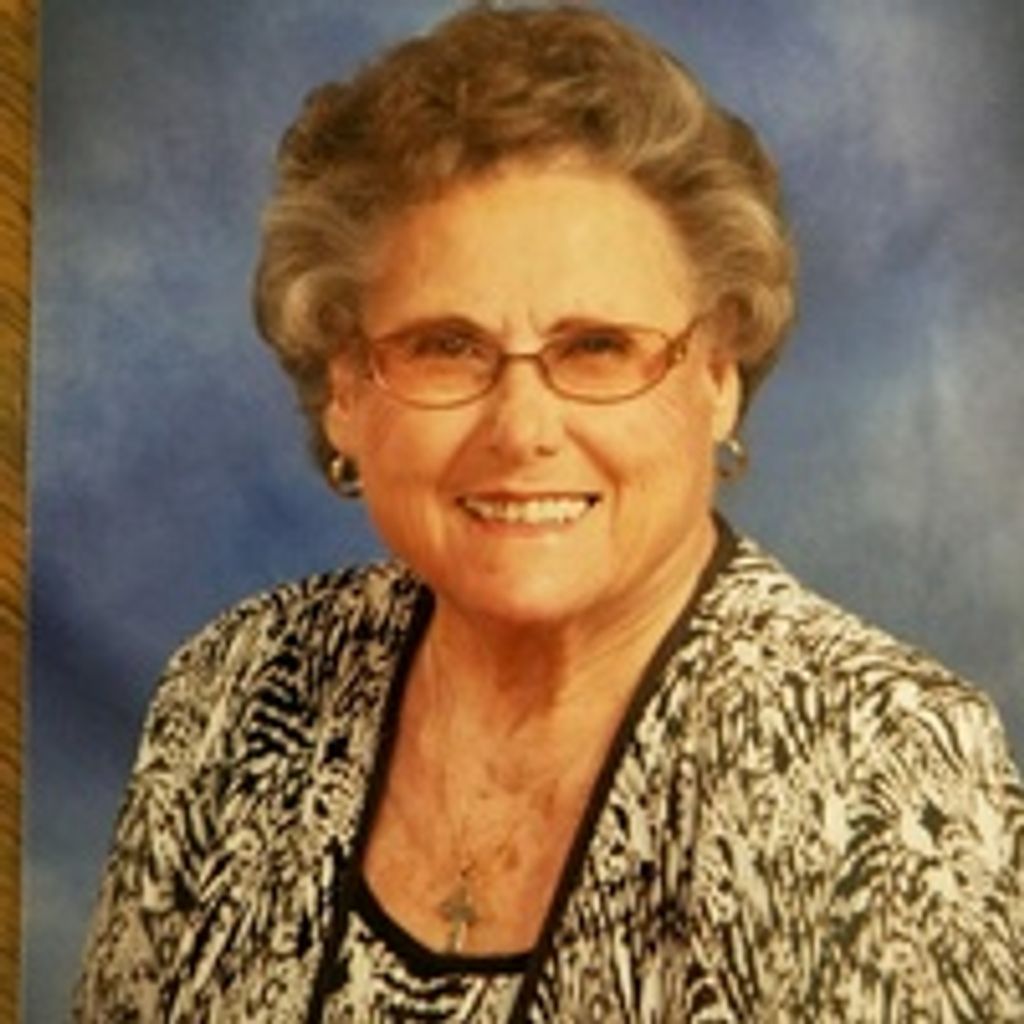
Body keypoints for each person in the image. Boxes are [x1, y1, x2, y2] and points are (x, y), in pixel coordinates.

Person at [75, 4, 1023, 1021]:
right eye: (447, 346)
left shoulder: (880, 767)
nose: (521, 428)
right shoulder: (235, 689)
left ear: (717, 376)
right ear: (346, 387)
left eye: (598, 347)